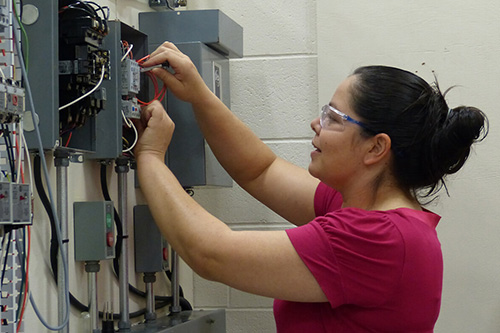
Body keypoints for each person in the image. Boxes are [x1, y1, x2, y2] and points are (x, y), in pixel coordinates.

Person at [134, 42, 488, 332]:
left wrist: (150, 155)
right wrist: (199, 95)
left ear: (376, 148)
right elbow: (260, 170)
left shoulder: (378, 237)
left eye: (333, 118)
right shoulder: (363, 210)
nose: (316, 124)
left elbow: (210, 254)